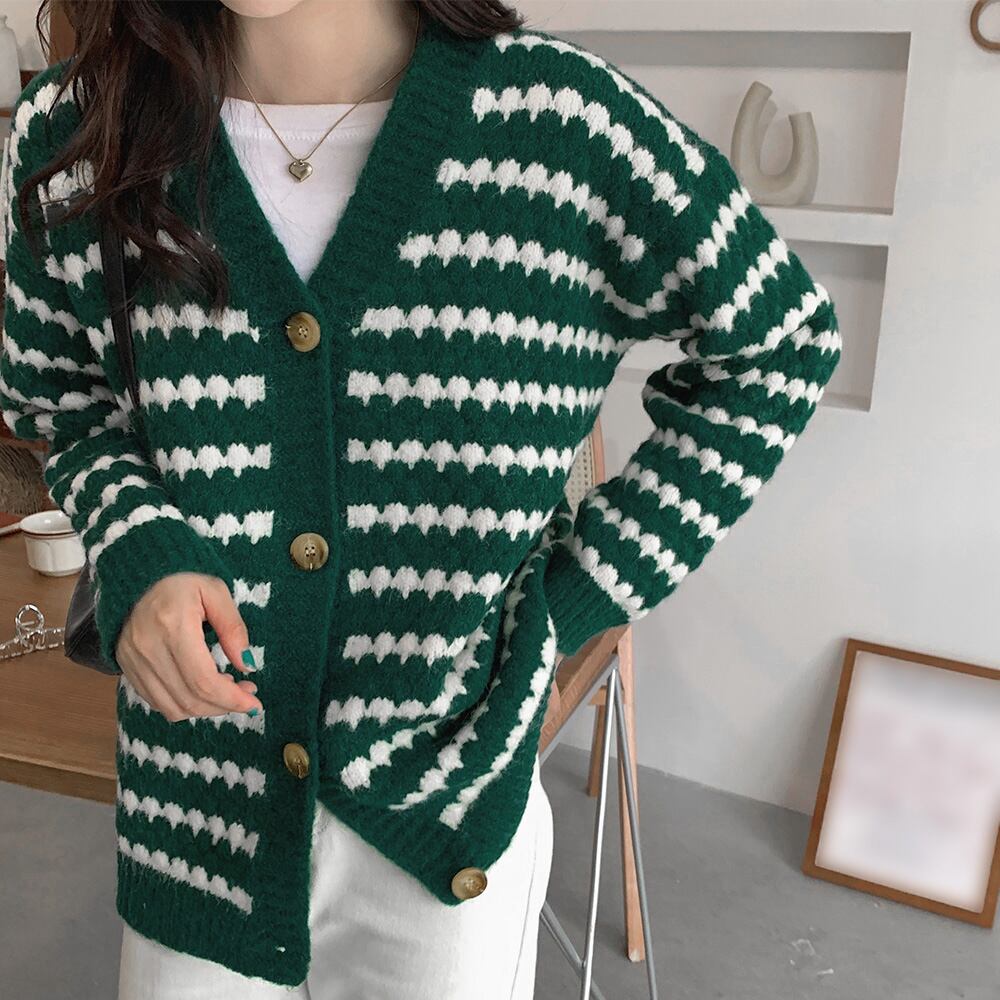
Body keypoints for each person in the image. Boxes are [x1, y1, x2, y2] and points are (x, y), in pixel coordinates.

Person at [0, 0, 842, 997]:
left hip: (447, 810)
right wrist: (139, 547)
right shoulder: (79, 130)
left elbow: (781, 347)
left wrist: (568, 605)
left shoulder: (564, 126)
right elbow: (63, 400)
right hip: (198, 808)